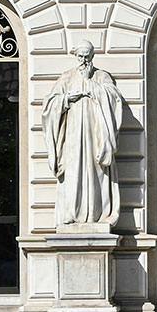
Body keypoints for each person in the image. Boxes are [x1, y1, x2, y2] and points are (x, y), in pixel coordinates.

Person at [43, 42, 125, 229]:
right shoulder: (67, 77)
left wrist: (90, 84)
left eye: (87, 56)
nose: (83, 60)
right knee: (73, 173)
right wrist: (65, 99)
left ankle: (96, 214)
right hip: (72, 135)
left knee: (96, 173)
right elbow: (49, 104)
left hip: (96, 136)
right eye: (80, 56)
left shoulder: (102, 76)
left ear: (93, 56)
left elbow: (114, 99)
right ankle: (72, 213)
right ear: (75, 56)